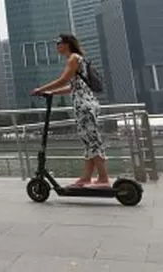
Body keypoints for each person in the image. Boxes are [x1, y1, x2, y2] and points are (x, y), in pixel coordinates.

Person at [32, 34, 110, 188]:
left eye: (58, 43)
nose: (56, 46)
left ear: (67, 44)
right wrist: (51, 93)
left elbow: (63, 80)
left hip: (84, 107)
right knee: (89, 142)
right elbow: (72, 87)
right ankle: (86, 178)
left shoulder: (73, 58)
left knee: (93, 142)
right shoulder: (78, 59)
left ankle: (103, 179)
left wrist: (40, 89)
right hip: (87, 104)